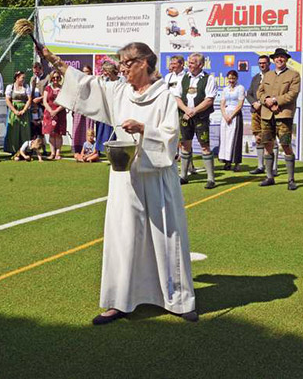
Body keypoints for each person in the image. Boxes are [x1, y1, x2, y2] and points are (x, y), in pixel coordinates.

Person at [41, 41, 198, 325]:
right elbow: (87, 86)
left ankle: (178, 300)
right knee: (122, 237)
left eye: (127, 63)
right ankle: (119, 301)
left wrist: (143, 130)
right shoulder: (120, 91)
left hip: (158, 178)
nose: (122, 69)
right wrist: (55, 61)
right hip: (125, 177)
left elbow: (170, 139)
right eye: (121, 64)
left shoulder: (164, 97)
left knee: (166, 237)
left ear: (145, 64)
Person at [257, 48, 300, 190]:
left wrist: (275, 101)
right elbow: (260, 92)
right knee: (267, 144)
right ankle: (269, 177)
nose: (279, 60)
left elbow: (292, 94)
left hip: (283, 115)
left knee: (286, 145)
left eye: (282, 57)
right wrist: (266, 100)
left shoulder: (294, 74)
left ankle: (291, 179)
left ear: (286, 59)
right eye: (277, 57)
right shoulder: (267, 75)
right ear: (273, 60)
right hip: (266, 114)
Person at [177, 52, 217, 189]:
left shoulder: (209, 78)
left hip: (201, 117)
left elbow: (209, 100)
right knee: (184, 145)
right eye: (189, 62)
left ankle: (211, 179)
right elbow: (177, 97)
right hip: (185, 117)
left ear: (200, 64)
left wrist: (193, 111)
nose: (189, 65)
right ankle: (183, 176)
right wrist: (186, 110)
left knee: (204, 146)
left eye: (192, 63)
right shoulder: (183, 78)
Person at [246, 55, 277, 176]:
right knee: (258, 138)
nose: (262, 65)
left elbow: (274, 94)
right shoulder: (255, 78)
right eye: (260, 63)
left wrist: (262, 103)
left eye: (264, 63)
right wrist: (254, 103)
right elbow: (249, 94)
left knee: (271, 139)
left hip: (269, 111)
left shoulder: (274, 76)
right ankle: (260, 166)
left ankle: (274, 168)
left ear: (269, 64)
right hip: (256, 112)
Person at [218, 70, 245, 171]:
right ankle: (226, 162)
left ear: (236, 78)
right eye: (229, 78)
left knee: (235, 139)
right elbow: (222, 103)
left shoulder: (240, 88)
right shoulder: (225, 89)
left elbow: (240, 104)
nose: (231, 80)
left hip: (235, 115)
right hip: (225, 114)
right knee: (225, 138)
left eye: (233, 78)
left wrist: (231, 116)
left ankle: (237, 163)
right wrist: (225, 115)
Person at [3, 71, 32, 155]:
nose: (24, 79)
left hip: (24, 110)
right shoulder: (10, 87)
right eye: (22, 78)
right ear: (17, 78)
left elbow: (29, 99)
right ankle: (14, 151)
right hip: (14, 110)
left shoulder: (26, 87)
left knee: (25, 130)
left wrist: (24, 110)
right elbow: (8, 100)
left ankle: (25, 150)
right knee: (14, 131)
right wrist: (14, 111)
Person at [94, 62, 119, 154]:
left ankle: (114, 153)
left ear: (110, 71)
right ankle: (97, 151)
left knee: (114, 134)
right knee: (102, 132)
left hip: (115, 112)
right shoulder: (104, 82)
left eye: (105, 70)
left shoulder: (120, 81)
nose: (104, 73)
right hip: (105, 111)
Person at [42, 71, 66, 160]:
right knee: (51, 134)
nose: (55, 79)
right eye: (53, 77)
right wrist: (51, 111)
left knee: (59, 134)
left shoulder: (63, 89)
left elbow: (65, 102)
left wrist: (56, 111)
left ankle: (58, 153)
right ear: (51, 78)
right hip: (49, 114)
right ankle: (52, 153)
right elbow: (45, 101)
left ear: (60, 78)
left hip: (60, 113)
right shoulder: (47, 88)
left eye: (57, 77)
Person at [71, 65, 94, 153]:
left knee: (88, 128)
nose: (85, 73)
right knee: (77, 127)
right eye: (83, 71)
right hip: (79, 108)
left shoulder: (93, 82)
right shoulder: (78, 82)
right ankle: (77, 149)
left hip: (89, 108)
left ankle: (89, 149)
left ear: (90, 72)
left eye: (87, 71)